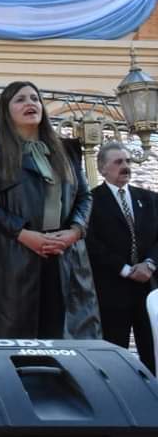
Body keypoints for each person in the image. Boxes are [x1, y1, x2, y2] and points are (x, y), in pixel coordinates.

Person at [0, 81, 100, 340]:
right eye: (20, 99)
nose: (30, 103)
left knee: (69, 336)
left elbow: (84, 196)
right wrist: (22, 233)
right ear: (6, 111)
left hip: (65, 253)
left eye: (35, 98)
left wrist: (75, 231)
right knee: (19, 338)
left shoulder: (66, 151)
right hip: (17, 255)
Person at [85, 141, 156, 374]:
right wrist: (126, 269)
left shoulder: (150, 199)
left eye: (127, 161)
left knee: (153, 353)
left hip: (149, 288)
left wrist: (149, 264)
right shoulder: (90, 202)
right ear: (102, 168)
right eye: (118, 162)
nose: (125, 166)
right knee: (114, 358)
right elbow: (91, 244)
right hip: (112, 290)